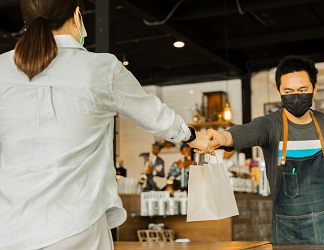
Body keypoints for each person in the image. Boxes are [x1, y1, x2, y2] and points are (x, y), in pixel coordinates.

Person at [0, 1, 208, 249]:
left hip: (11, 229)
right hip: (78, 224)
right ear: (77, 16)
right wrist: (194, 138)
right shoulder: (101, 68)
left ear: (26, 23)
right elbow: (156, 116)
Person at [196, 55, 324, 244]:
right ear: (278, 90)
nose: (296, 96)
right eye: (288, 91)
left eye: (302, 90)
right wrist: (221, 137)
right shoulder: (271, 126)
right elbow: (246, 132)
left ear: (315, 88)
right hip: (287, 228)